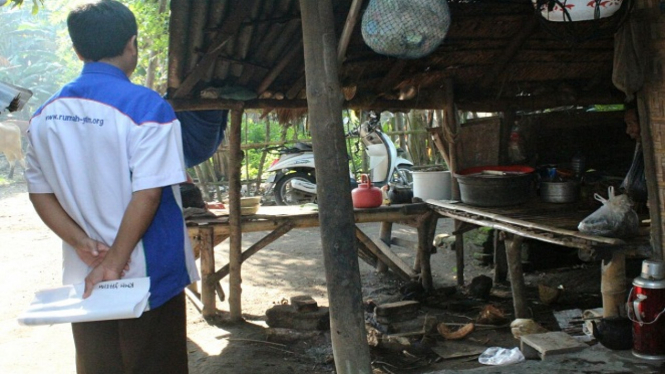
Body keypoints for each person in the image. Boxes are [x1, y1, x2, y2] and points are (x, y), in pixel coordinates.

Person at [24, 1, 199, 373]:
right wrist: (116, 261)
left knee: (100, 365)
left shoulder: (44, 116)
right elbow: (148, 193)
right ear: (131, 43)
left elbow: (41, 194)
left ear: (77, 49)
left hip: (84, 275)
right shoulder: (147, 107)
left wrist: (81, 243)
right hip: (148, 275)